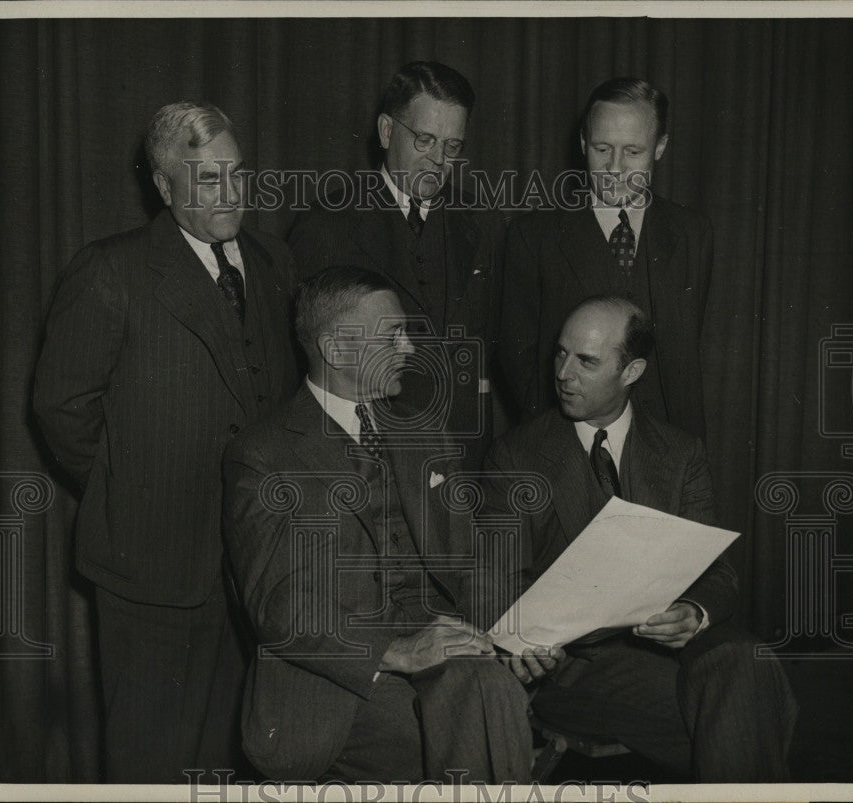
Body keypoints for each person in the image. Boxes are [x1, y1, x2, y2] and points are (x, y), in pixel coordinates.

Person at [33, 101, 300, 782]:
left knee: (234, 758)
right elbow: (63, 410)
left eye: (237, 174)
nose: (230, 193)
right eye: (207, 179)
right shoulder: (111, 271)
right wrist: (135, 487)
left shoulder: (272, 264)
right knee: (151, 764)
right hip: (150, 569)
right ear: (163, 184)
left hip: (255, 565)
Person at [222, 266, 532, 783]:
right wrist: (396, 651)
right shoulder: (263, 455)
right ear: (338, 350)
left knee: (489, 691)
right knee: (473, 722)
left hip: (440, 650)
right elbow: (282, 605)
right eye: (394, 335)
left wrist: (516, 633)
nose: (410, 349)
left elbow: (468, 562)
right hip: (338, 682)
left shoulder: (423, 432)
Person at [482, 296, 797, 782]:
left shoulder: (680, 451)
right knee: (751, 708)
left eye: (586, 361)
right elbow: (498, 581)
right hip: (576, 664)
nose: (563, 373)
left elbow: (720, 574)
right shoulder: (516, 455)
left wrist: (693, 612)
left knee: (741, 658)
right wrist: (523, 641)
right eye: (560, 353)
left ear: (632, 372)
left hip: (676, 651)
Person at [289, 61, 505, 471]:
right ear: (387, 131)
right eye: (425, 139)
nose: (439, 160)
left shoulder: (483, 222)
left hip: (466, 459)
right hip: (371, 461)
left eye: (452, 146)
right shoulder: (327, 224)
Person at [501, 77, 712, 439]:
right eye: (602, 148)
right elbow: (518, 359)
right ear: (583, 143)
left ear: (660, 147)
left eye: (633, 152)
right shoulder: (533, 235)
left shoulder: (693, 233)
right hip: (567, 445)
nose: (615, 168)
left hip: (667, 449)